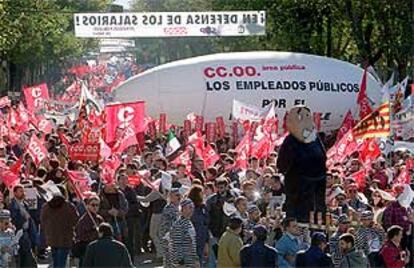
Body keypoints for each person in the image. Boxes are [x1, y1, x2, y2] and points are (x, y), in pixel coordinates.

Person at [40, 189, 79, 268]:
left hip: (52, 237)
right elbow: (76, 220)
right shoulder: (69, 206)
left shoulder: (46, 206)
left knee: (55, 261)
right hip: (65, 238)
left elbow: (42, 221)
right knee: (62, 262)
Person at [9, 184, 37, 267]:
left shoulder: (24, 204)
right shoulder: (13, 205)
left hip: (26, 232)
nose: (23, 193)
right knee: (23, 255)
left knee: (26, 255)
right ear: (15, 193)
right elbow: (14, 220)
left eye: (23, 191)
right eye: (20, 191)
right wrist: (24, 218)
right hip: (18, 233)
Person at [74, 195, 104, 267]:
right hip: (86, 249)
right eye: (93, 205)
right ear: (87, 206)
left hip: (97, 249)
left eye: (97, 205)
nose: (95, 207)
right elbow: (80, 236)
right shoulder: (83, 220)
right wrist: (95, 233)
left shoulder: (99, 219)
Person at [169, 199, 199, 268]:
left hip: (191, 261)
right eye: (190, 207)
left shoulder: (189, 222)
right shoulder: (178, 224)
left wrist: (196, 259)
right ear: (183, 209)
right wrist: (179, 262)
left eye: (193, 207)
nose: (192, 210)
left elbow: (192, 242)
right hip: (183, 263)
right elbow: (176, 245)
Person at [117, 173, 141, 259]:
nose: (123, 181)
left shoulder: (131, 190)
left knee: (129, 238)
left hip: (129, 217)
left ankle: (130, 258)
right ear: (118, 181)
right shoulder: (116, 191)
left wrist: (126, 209)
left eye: (125, 179)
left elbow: (135, 204)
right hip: (119, 218)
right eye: (122, 179)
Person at [158, 188, 181, 266]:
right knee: (170, 261)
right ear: (171, 197)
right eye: (177, 195)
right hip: (169, 238)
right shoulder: (170, 208)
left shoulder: (177, 207)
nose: (179, 197)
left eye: (179, 195)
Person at [188, 185, 210, 266]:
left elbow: (206, 223)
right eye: (201, 193)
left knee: (200, 258)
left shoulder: (203, 207)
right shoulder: (190, 207)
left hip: (202, 237)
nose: (203, 194)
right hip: (192, 237)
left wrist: (206, 241)